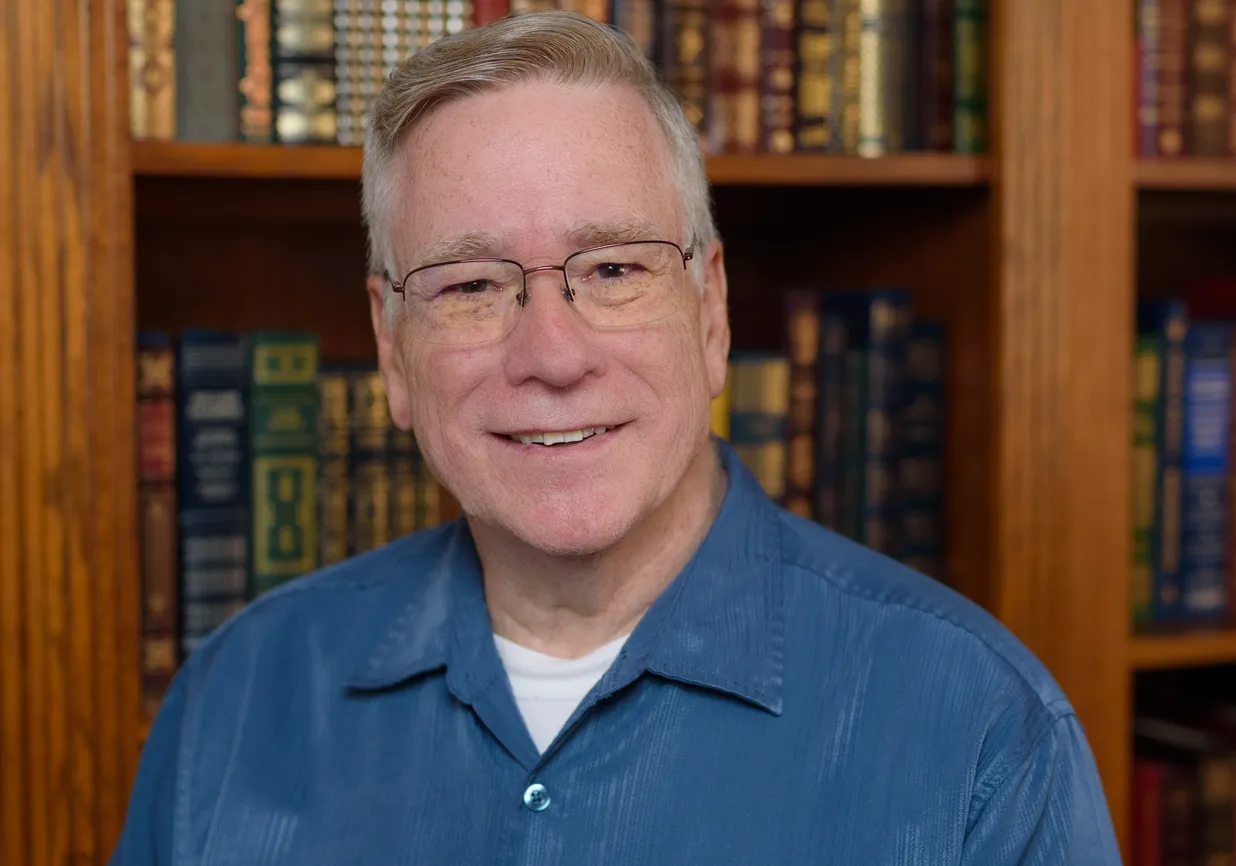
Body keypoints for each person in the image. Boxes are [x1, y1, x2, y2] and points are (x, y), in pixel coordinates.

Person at [111, 11, 1120, 864]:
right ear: (390, 345)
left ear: (710, 309)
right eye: (470, 285)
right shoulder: (233, 702)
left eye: (612, 269)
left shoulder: (982, 729)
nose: (551, 353)